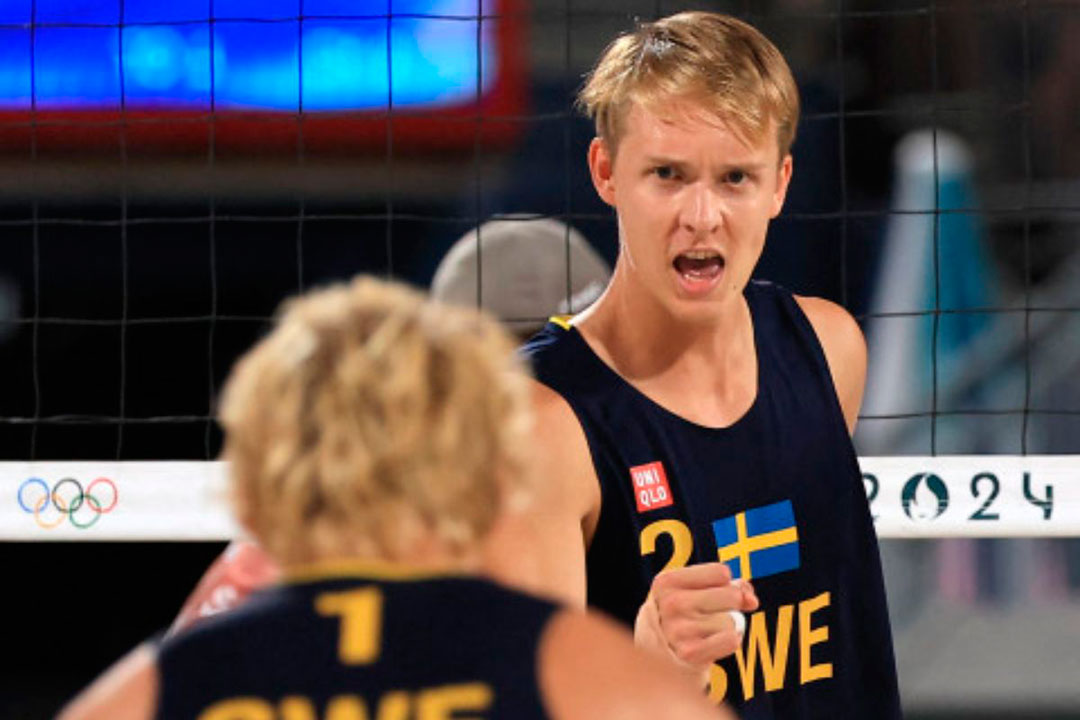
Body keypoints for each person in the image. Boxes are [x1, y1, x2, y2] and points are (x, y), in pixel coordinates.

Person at [57, 277, 728, 720]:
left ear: (261, 475)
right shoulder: (566, 661)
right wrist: (656, 669)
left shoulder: (171, 676)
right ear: (486, 474)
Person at [510, 10, 903, 716]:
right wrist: (646, 669)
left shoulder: (830, 348)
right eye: (667, 173)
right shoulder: (540, 424)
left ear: (780, 185)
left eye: (734, 179)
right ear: (605, 172)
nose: (702, 215)